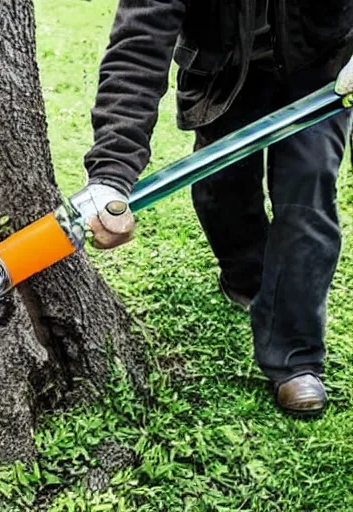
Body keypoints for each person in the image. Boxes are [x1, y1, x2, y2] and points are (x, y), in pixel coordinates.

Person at [78, 0, 353, 416]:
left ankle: (295, 360)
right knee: (220, 191)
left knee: (307, 188)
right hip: (223, 74)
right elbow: (138, 45)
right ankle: (247, 279)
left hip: (320, 70)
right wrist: (111, 173)